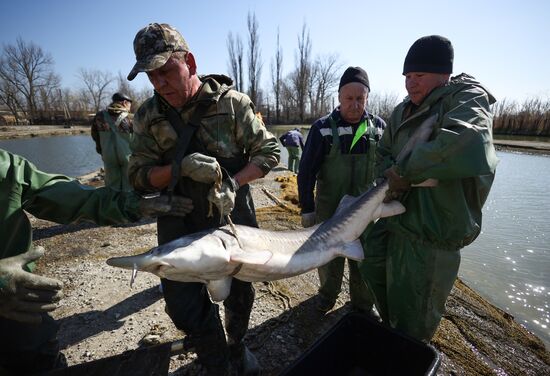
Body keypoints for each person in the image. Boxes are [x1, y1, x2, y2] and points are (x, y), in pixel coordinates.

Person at [126, 23, 280, 375]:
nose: (159, 83)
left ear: (190, 62)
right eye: (151, 76)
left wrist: (235, 182)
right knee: (181, 303)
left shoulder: (233, 104)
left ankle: (237, 348)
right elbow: (137, 176)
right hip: (178, 217)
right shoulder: (148, 117)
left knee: (241, 293)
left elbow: (269, 151)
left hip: (231, 215)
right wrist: (177, 169)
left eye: (166, 70)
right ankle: (215, 356)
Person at [0, 148, 193, 375]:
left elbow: (71, 197)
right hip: (14, 299)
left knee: (39, 360)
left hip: (20, 308)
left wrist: (134, 206)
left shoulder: (8, 167)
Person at [360, 35, 499, 342]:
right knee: (375, 279)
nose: (410, 84)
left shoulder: (466, 98)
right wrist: (390, 173)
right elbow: (382, 156)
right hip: (395, 223)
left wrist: (404, 172)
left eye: (419, 76)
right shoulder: (401, 111)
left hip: (431, 235)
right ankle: (394, 341)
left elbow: (465, 142)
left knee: (414, 323)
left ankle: (409, 354)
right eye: (407, 76)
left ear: (443, 74)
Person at [297, 66, 386, 314]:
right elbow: (306, 172)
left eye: (361, 99)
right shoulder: (322, 128)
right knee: (328, 260)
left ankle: (362, 304)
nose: (355, 105)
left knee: (363, 259)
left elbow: (388, 168)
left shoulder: (378, 128)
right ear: (339, 97)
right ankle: (327, 295)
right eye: (349, 99)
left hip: (366, 213)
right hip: (330, 211)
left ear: (367, 98)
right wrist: (307, 208)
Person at [91, 92, 134, 192]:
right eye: (129, 105)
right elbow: (139, 138)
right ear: (124, 102)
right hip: (128, 156)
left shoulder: (99, 116)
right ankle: (127, 205)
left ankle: (112, 205)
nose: (129, 108)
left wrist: (101, 151)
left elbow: (95, 136)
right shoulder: (130, 118)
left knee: (111, 187)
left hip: (108, 155)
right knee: (130, 185)